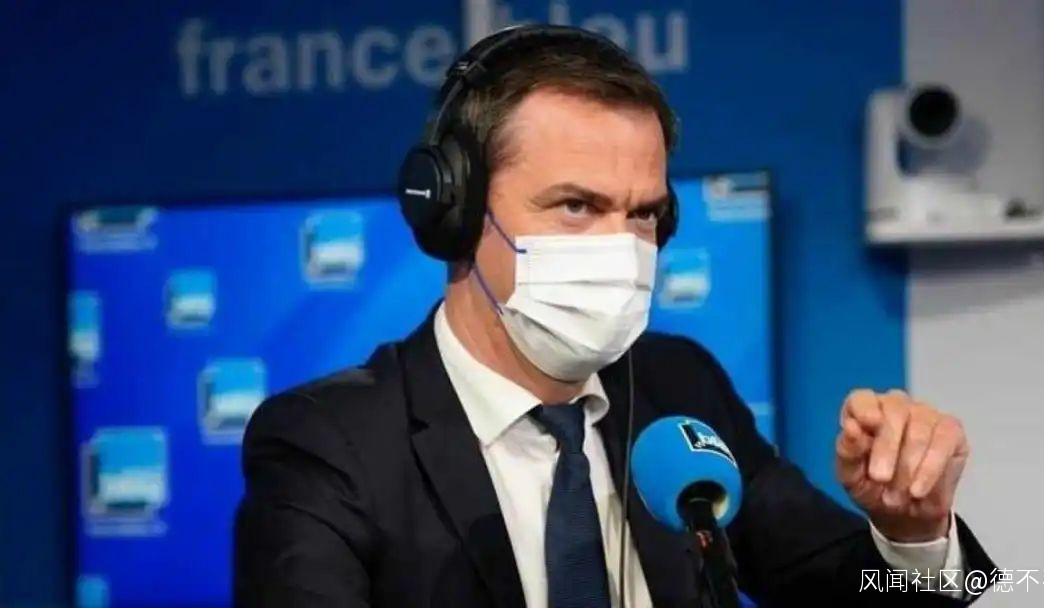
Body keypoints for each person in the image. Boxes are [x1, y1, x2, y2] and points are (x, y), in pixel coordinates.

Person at [233, 25, 996, 608]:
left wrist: (912, 535)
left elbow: (841, 586)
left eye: (643, 214)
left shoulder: (680, 388)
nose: (621, 248)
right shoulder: (329, 443)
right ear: (455, 213)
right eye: (576, 205)